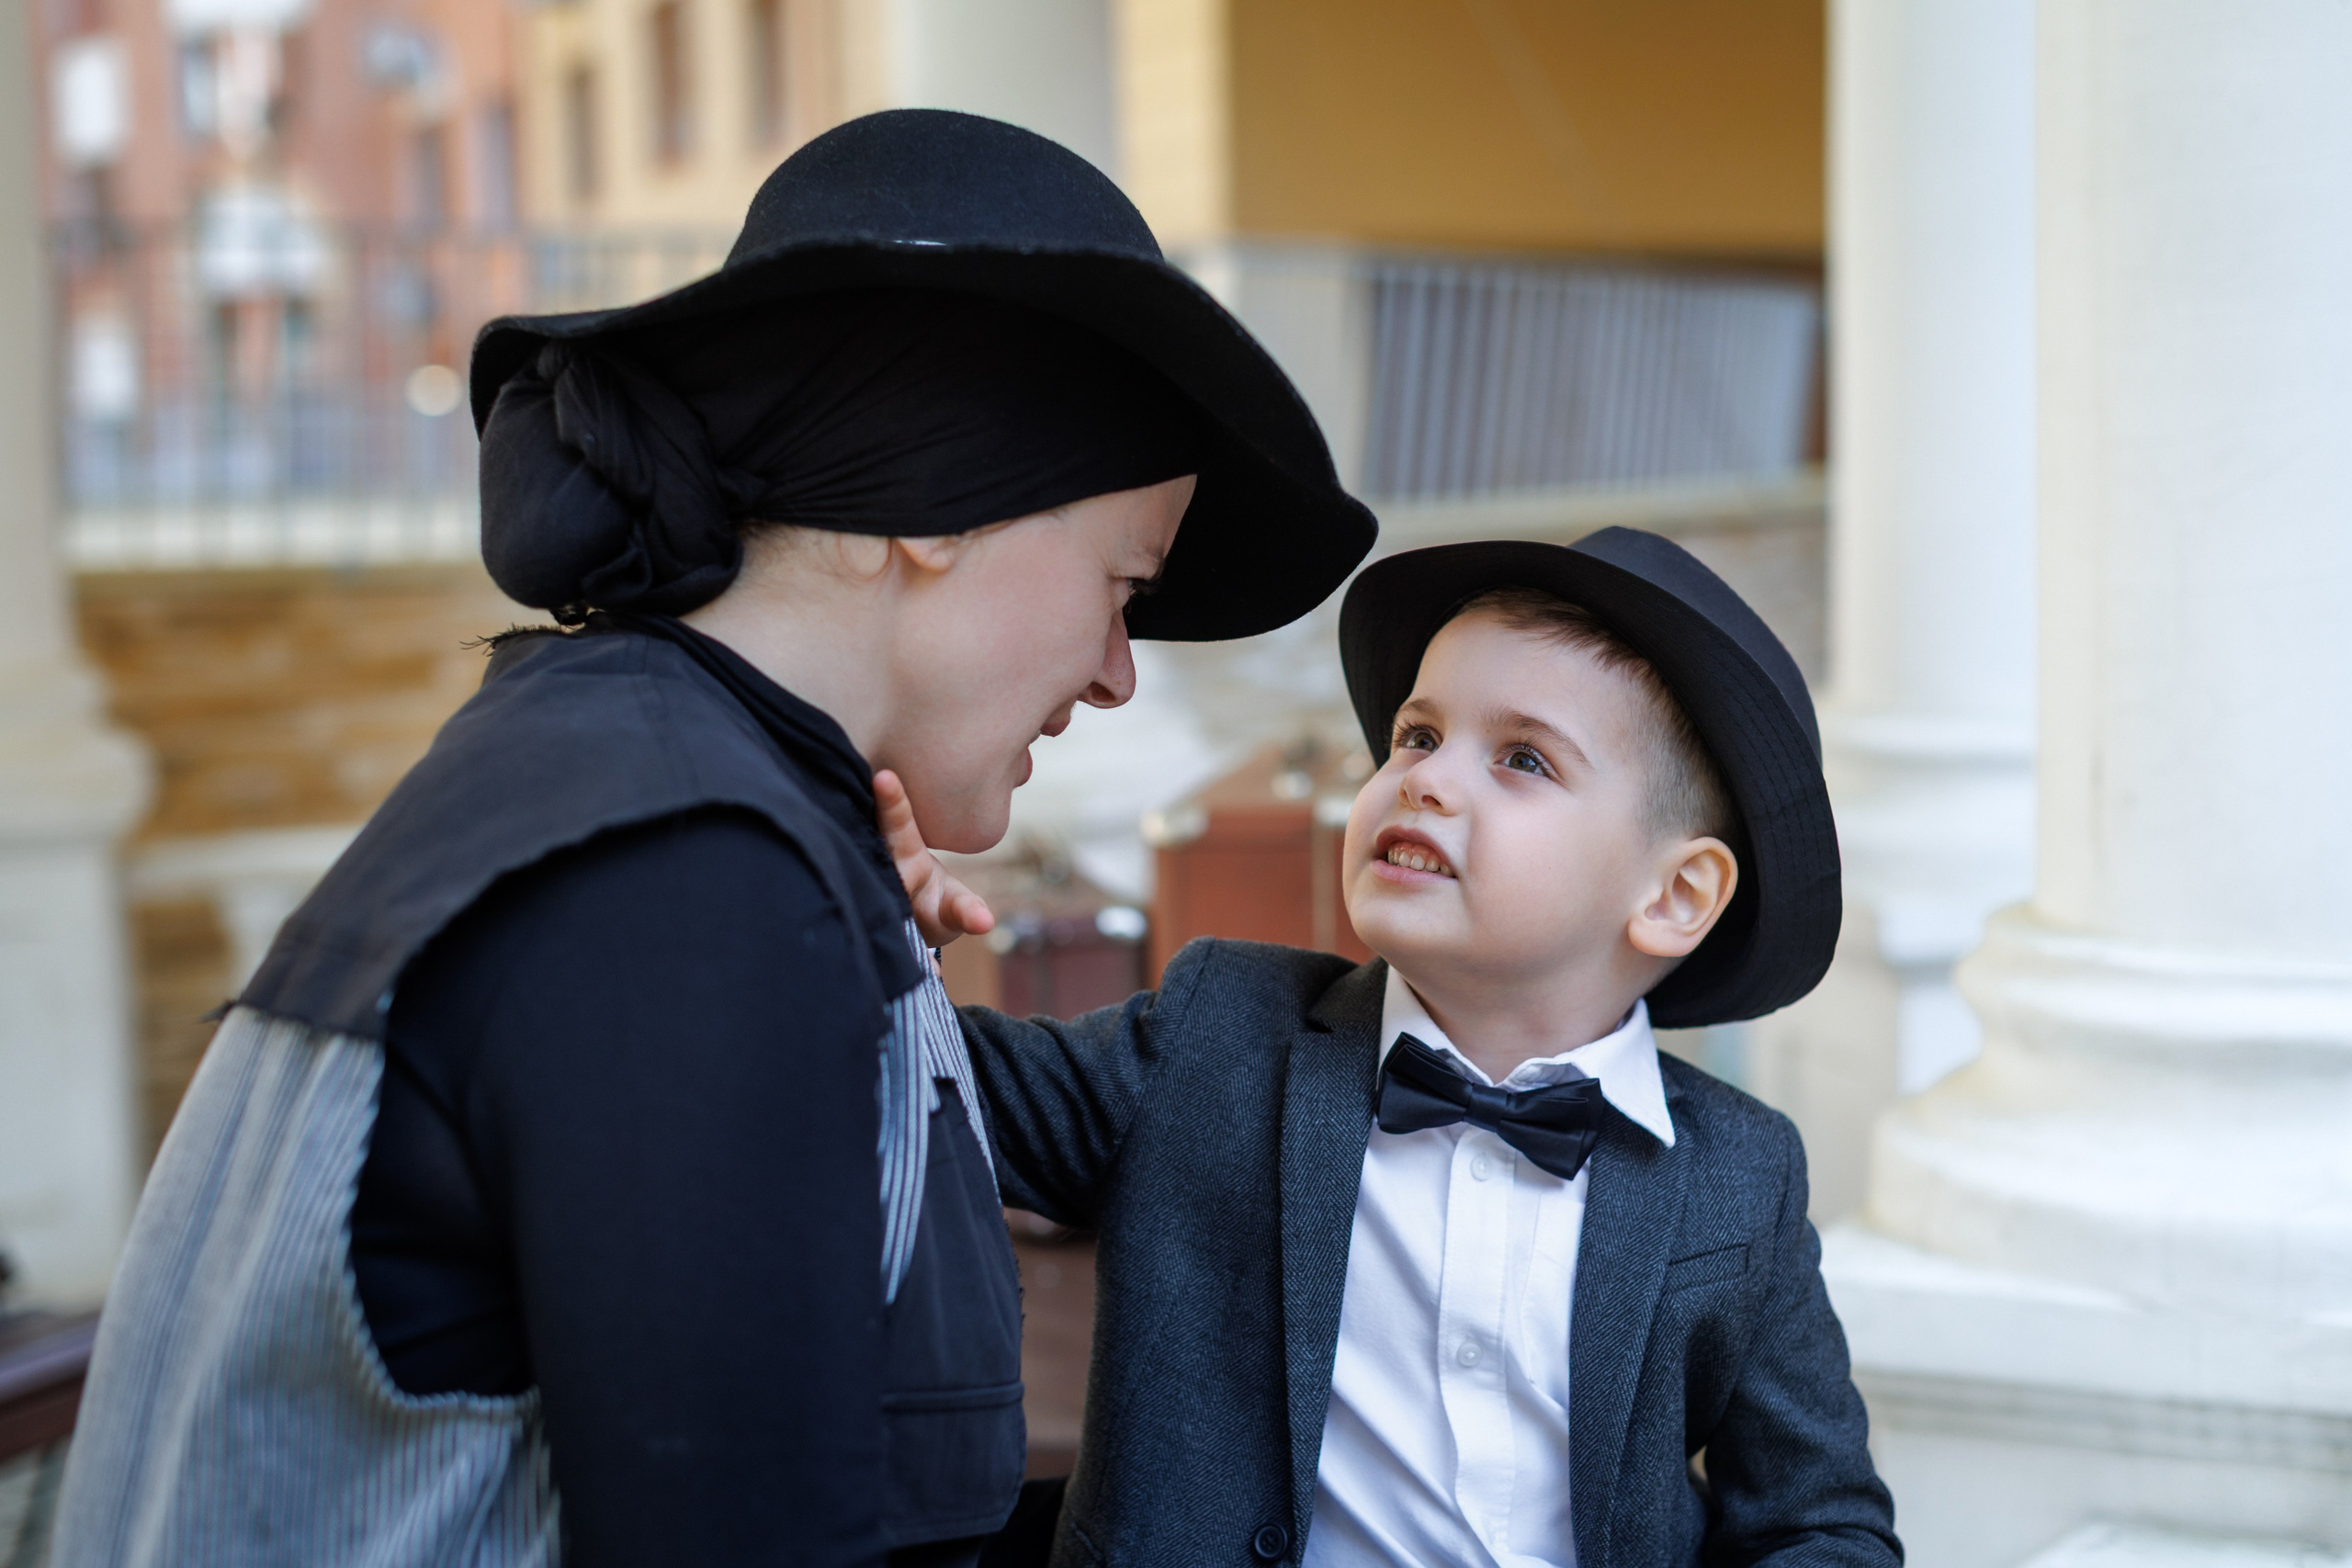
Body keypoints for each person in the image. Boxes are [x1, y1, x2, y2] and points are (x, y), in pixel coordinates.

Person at [46, 110, 1374, 1568]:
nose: (1118, 671)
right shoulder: (686, 888)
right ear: (946, 509)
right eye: (1124, 583)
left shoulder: (645, 795)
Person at [895, 529, 1902, 1566]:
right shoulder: (1218, 1035)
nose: (1426, 779)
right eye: (1417, 736)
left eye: (1522, 759)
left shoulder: (1741, 1178)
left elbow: (1821, 1522)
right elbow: (927, 1085)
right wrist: (876, 930)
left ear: (1674, 894)